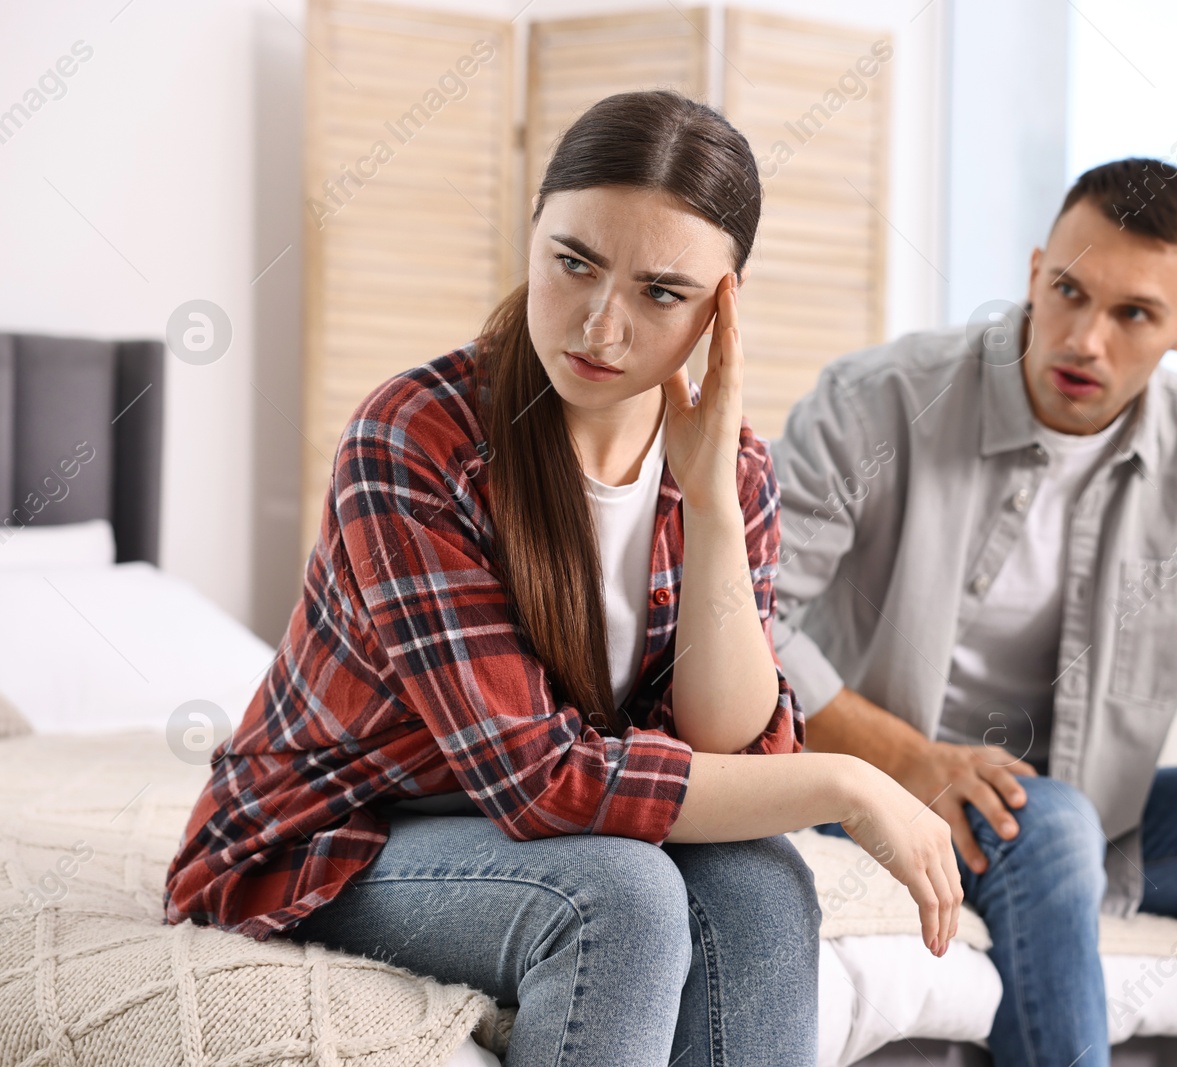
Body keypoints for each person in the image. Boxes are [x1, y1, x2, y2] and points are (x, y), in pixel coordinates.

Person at [163, 90, 962, 1067]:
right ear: (531, 232)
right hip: (333, 835)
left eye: (661, 292)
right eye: (573, 262)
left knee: (763, 889)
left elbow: (728, 739)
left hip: (534, 826)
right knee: (620, 897)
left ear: (725, 303)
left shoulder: (735, 465)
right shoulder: (415, 436)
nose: (599, 322)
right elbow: (540, 780)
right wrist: (848, 777)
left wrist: (709, 505)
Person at [770, 158, 1177, 1066]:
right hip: (871, 787)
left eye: (1134, 314)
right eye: (1067, 291)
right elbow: (744, 620)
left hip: (1083, 814)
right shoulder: (879, 402)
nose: (1085, 339)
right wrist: (909, 757)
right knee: (1051, 817)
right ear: (1033, 273)